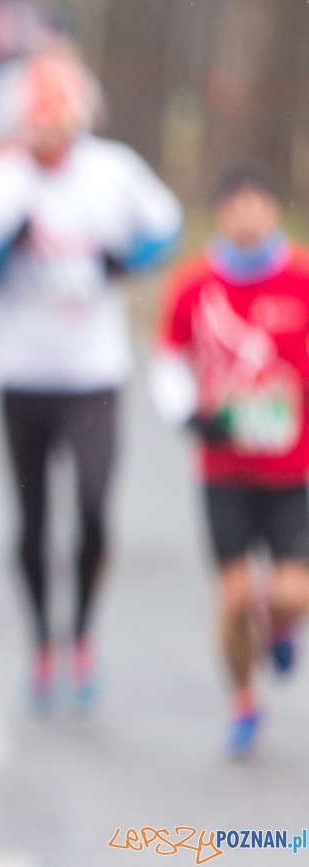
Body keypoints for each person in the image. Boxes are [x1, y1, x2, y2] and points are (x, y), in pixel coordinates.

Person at [0, 53, 183, 711]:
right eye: (35, 125)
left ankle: (80, 629)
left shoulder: (112, 171)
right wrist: (4, 247)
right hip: (20, 373)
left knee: (96, 512)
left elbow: (168, 228)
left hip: (93, 373)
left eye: (58, 125)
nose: (47, 138)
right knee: (33, 522)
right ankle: (41, 639)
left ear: (78, 120)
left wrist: (123, 260)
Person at [150, 168, 309, 758]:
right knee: (236, 597)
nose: (247, 216)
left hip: (292, 468)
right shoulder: (195, 285)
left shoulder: (299, 278)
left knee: (292, 591)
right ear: (221, 213)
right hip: (224, 471)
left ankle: (284, 624)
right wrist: (190, 413)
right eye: (236, 206)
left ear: (274, 211)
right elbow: (168, 360)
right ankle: (244, 702)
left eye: (258, 204)